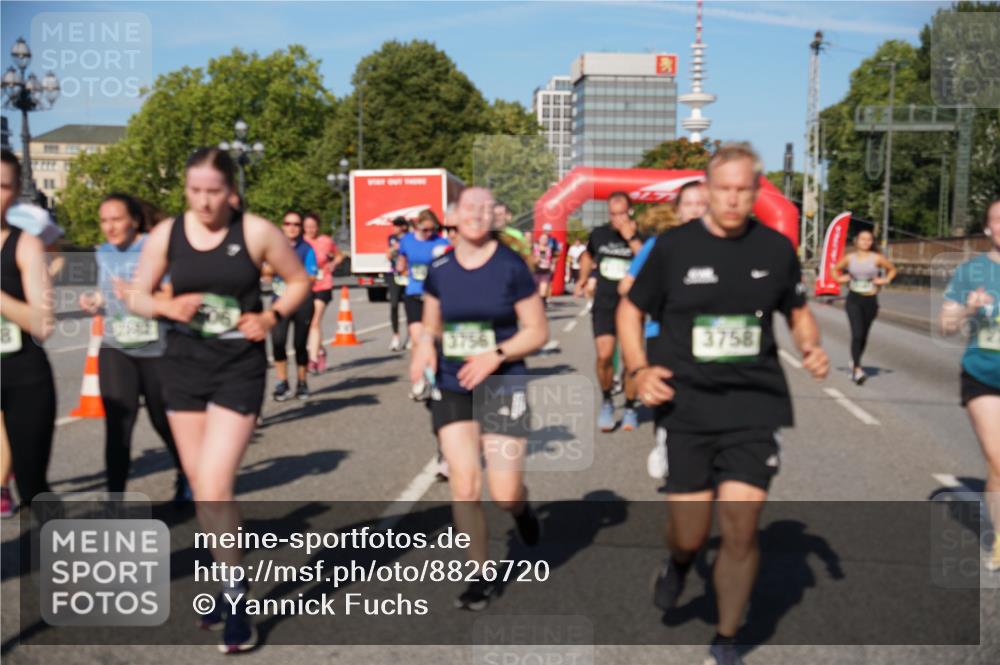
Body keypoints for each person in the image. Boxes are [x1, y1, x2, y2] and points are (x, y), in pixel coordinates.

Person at [618, 142, 829, 665]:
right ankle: (679, 563)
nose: (733, 200)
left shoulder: (775, 250)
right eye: (724, 189)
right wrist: (638, 368)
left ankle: (728, 637)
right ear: (708, 191)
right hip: (685, 405)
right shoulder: (673, 248)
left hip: (753, 405)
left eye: (743, 190)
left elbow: (797, 311)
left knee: (740, 526)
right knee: (690, 532)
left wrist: (811, 345)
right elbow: (629, 310)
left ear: (757, 192)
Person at [124, 147, 310, 653]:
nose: (204, 202)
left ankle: (235, 600)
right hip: (183, 369)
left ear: (230, 190)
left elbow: (298, 281)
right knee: (204, 490)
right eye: (194, 192)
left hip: (237, 370)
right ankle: (226, 578)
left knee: (214, 484)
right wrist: (168, 303)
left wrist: (271, 318)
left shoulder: (256, 232)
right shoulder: (168, 234)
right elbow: (137, 295)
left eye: (213, 192)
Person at [410, 187, 547, 610]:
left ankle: (521, 511)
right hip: (452, 383)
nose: (478, 214)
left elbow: (538, 331)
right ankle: (479, 574)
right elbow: (430, 325)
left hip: (503, 380)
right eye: (470, 207)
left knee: (504, 492)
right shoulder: (440, 268)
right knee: (465, 485)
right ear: (454, 215)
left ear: (495, 217)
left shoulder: (511, 268)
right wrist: (424, 350)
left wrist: (497, 355)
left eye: (487, 208)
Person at [77, 193, 191, 503]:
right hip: (117, 346)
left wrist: (138, 294)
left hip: (157, 348)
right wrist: (96, 300)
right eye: (104, 220)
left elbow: (171, 296)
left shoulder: (155, 247)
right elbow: (107, 293)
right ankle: (115, 499)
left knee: (163, 420)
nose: (109, 227)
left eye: (116, 219)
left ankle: (187, 474)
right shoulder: (102, 253)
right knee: (118, 424)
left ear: (134, 220)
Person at [617, 181, 708, 479]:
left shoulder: (729, 247)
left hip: (709, 338)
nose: (696, 210)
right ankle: (664, 440)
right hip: (664, 334)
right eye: (690, 204)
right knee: (668, 396)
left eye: (702, 203)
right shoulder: (660, 246)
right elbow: (627, 285)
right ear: (678, 211)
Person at [940, 198, 1000, 571]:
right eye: (999, 219)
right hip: (983, 375)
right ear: (988, 228)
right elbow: (946, 325)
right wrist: (968, 309)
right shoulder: (971, 272)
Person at [0, 149, 56, 517]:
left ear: (16, 191)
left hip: (22, 376)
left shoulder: (26, 245)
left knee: (33, 486)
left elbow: (42, 324)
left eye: (3, 186)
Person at [573, 192, 645, 432]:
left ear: (631, 211)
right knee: (604, 356)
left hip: (632, 306)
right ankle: (606, 400)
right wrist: (583, 279)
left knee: (630, 360)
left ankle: (631, 407)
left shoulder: (643, 234)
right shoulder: (599, 234)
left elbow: (650, 261)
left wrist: (632, 238)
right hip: (604, 303)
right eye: (613, 214)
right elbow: (588, 255)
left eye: (622, 213)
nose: (617, 219)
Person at [831, 229, 897, 384]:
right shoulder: (849, 258)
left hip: (870, 301)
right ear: (856, 241)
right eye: (863, 239)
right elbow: (834, 270)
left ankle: (855, 360)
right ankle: (857, 370)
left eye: (869, 239)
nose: (866, 242)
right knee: (857, 334)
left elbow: (892, 269)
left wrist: (885, 280)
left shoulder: (877, 258)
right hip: (854, 300)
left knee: (864, 335)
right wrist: (841, 279)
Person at [397, 209, 450, 396]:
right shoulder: (407, 240)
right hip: (413, 293)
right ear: (417, 225)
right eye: (425, 229)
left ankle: (437, 380)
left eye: (432, 229)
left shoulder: (442, 243)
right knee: (417, 339)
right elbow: (402, 258)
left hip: (434, 297)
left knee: (434, 340)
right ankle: (419, 379)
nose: (429, 233)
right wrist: (401, 267)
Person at [268, 211, 318, 401]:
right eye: (288, 223)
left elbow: (312, 276)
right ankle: (282, 382)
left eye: (296, 224)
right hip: (279, 301)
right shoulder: (274, 248)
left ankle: (302, 382)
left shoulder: (307, 249)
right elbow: (266, 271)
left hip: (301, 302)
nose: (292, 227)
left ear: (301, 228)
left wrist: (294, 281)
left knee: (299, 344)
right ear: (282, 226)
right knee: (278, 342)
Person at [303, 212, 343, 374]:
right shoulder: (301, 243)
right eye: (307, 227)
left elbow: (339, 255)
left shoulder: (325, 241)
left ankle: (312, 359)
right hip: (305, 286)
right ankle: (319, 350)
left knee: (314, 321)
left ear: (318, 227)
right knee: (306, 323)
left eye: (313, 227)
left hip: (323, 284)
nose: (311, 230)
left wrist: (333, 263)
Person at [387, 216, 411, 352]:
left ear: (403, 227)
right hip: (394, 274)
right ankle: (395, 336)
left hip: (408, 275)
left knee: (409, 305)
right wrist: (393, 249)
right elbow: (388, 255)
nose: (394, 228)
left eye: (396, 225)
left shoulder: (411, 238)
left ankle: (410, 336)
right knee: (394, 304)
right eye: (393, 225)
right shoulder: (392, 238)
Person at [532, 226, 556, 306]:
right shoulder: (534, 247)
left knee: (543, 289)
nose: (544, 240)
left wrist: (553, 265)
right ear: (539, 239)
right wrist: (535, 259)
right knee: (535, 290)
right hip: (536, 270)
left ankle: (542, 304)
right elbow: (529, 257)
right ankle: (535, 304)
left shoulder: (550, 249)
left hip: (546, 271)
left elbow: (553, 258)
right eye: (542, 239)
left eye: (546, 239)